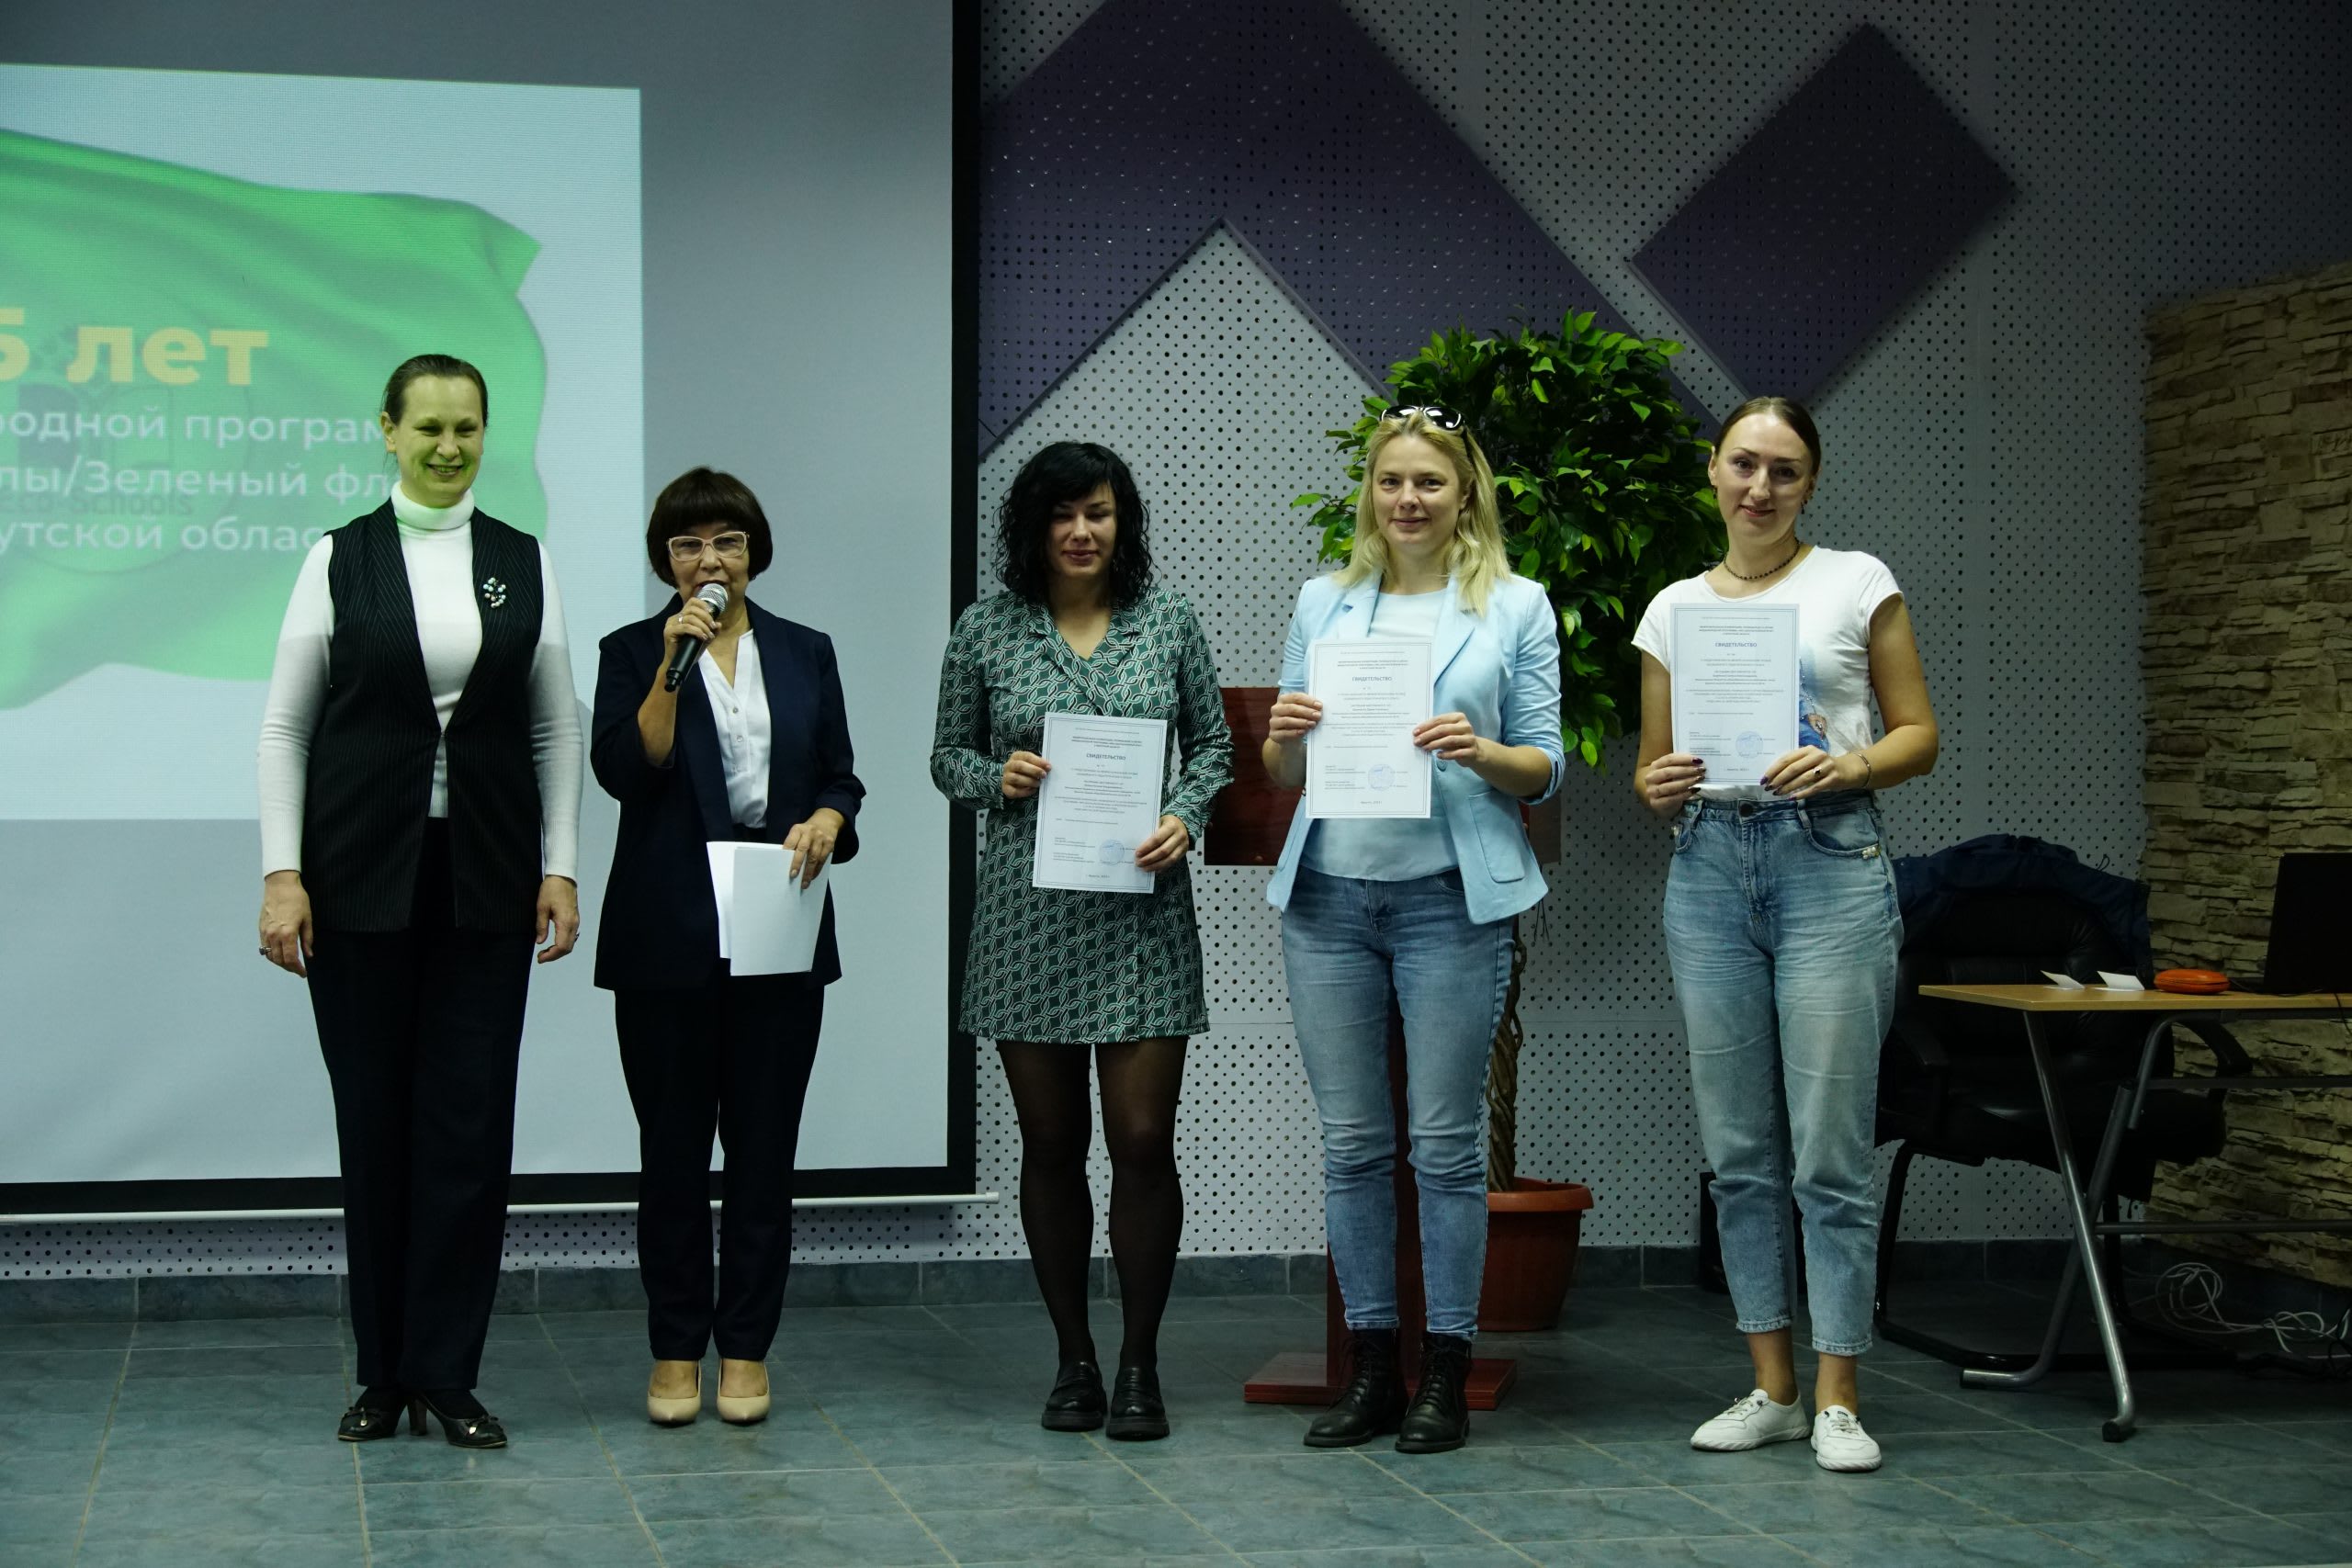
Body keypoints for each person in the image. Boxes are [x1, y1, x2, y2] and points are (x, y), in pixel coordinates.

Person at [256, 353, 582, 1449]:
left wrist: (561, 865)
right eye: (429, 427)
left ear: (486, 434)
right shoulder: (338, 557)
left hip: (485, 879)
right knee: (376, 1126)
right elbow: (286, 727)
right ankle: (382, 1374)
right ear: (387, 431)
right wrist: (283, 872)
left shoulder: (522, 561)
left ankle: (447, 1374)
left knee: (467, 1131)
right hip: (356, 881)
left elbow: (554, 726)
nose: (449, 447)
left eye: (467, 428)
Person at [1632, 395, 1939, 1473]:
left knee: (1830, 1149)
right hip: (1708, 869)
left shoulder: (1855, 582)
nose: (1759, 487)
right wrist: (1654, 785)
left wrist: (1847, 762)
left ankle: (1839, 1396)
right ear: (1712, 471)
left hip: (1829, 862)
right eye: (1743, 464)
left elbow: (1917, 735)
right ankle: (1771, 1388)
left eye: (1784, 470)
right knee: (1738, 1153)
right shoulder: (1672, 609)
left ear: (1810, 484)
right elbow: (1653, 771)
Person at [1262, 406, 1564, 1454]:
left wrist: (1480, 750)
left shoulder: (1515, 605)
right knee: (1352, 1145)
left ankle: (1444, 1369)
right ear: (1371, 494)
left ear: (1464, 491)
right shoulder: (1324, 600)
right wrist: (1283, 737)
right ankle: (1371, 1370)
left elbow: (1544, 765)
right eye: (1391, 481)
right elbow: (1285, 771)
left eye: (1429, 482)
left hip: (1449, 898)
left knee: (1442, 1145)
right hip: (1328, 902)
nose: (1408, 499)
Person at [930, 442, 1231, 1441]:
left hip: (1143, 914)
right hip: (1027, 921)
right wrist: (994, 777)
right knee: (1052, 1144)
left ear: (1121, 522)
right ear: (1033, 526)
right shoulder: (986, 627)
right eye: (1061, 514)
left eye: (1097, 512)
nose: (1080, 531)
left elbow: (1214, 747)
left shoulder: (1168, 619)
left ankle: (1140, 1363)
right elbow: (945, 756)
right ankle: (1074, 1361)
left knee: (1142, 1143)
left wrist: (1185, 812)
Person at [590, 468, 864, 1427]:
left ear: (754, 552)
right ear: (666, 562)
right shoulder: (633, 652)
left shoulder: (805, 650)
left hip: (777, 925)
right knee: (670, 1153)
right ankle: (675, 1348)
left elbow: (840, 775)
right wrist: (674, 664)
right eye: (688, 545)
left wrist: (829, 817)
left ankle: (745, 1347)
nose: (709, 559)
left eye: (727, 542)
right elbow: (628, 770)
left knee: (762, 1152)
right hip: (665, 933)